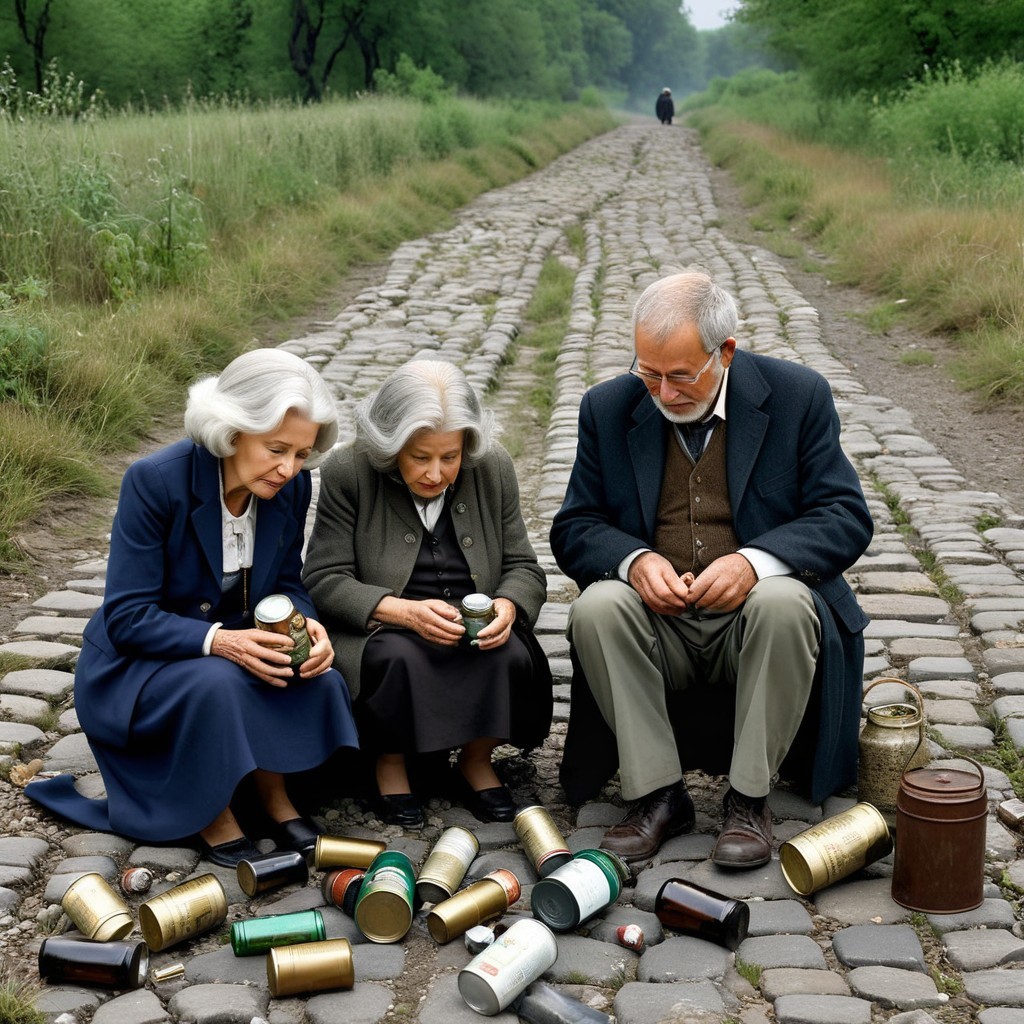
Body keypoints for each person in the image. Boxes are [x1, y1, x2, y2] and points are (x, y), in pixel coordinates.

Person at [550, 271, 872, 869]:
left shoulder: (797, 396)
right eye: (649, 374)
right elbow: (574, 526)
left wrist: (756, 563)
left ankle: (749, 800)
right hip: (659, 626)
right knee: (597, 606)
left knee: (784, 601)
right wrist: (634, 560)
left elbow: (846, 516)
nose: (663, 394)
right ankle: (658, 796)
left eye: (680, 376)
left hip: (754, 625)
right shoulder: (606, 407)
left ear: (725, 351)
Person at [26, 349, 359, 867]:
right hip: (137, 666)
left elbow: (288, 582)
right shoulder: (155, 481)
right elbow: (128, 617)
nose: (289, 468)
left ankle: (275, 799)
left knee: (310, 674)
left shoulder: (290, 488)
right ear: (231, 430)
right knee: (221, 680)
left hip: (226, 647)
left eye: (302, 454)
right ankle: (212, 815)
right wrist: (221, 641)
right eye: (276, 449)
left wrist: (306, 624)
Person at [302, 359, 552, 828]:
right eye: (420, 457)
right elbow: (324, 577)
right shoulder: (349, 471)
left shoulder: (492, 466)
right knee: (399, 659)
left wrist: (508, 606)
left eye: (449, 457)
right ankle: (390, 764)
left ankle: (477, 759)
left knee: (510, 654)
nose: (436, 473)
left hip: (468, 619)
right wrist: (399, 611)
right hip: (387, 625)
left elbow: (523, 566)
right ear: (389, 445)